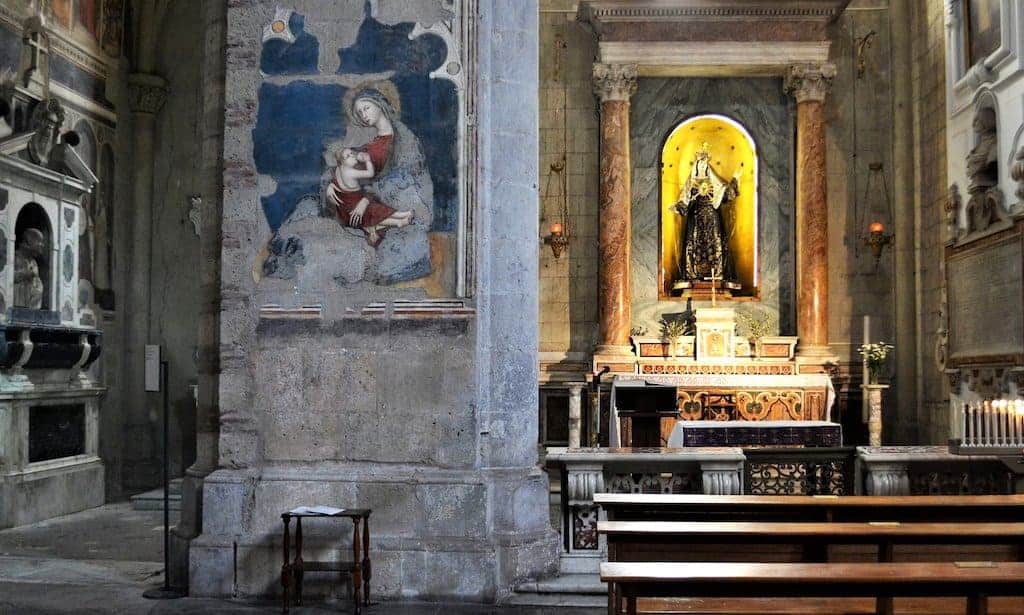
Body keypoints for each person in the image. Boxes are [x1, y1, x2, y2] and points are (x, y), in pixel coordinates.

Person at [675, 143, 741, 284]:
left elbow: (723, 192)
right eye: (700, 161)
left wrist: (735, 180)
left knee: (715, 241)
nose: (702, 164)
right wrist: (681, 205)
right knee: (693, 242)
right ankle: (692, 274)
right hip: (695, 215)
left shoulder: (713, 178)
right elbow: (685, 196)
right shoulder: (691, 179)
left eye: (704, 161)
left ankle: (717, 274)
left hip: (712, 214)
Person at [328, 147, 413, 246]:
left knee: (373, 216)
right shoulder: (350, 173)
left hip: (348, 211)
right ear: (342, 162)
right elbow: (370, 173)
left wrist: (331, 186)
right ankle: (399, 218)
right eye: (348, 156)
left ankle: (399, 220)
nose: (352, 156)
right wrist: (368, 160)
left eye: (351, 153)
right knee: (375, 211)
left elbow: (336, 180)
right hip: (353, 211)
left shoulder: (339, 169)